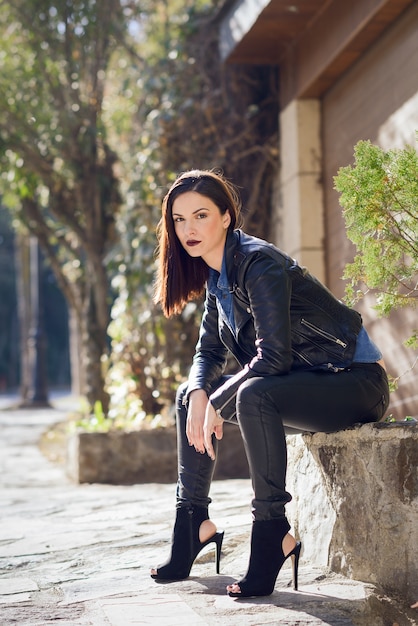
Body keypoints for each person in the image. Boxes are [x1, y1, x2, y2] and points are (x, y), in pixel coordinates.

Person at [150, 169, 390, 598]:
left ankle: (272, 531)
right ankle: (192, 523)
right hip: (304, 387)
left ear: (226, 217)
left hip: (352, 383)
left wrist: (218, 403)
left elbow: (273, 356)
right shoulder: (217, 275)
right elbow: (207, 353)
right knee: (191, 392)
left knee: (251, 392)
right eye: (179, 220)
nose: (189, 229)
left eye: (200, 215)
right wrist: (204, 394)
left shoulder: (258, 263)